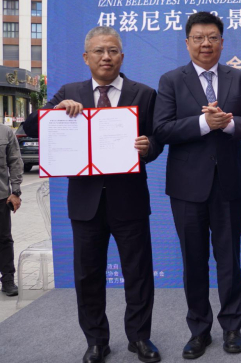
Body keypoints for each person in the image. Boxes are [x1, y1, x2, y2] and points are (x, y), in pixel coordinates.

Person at [23, 26, 163, 363]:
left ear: (122, 56)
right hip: (85, 203)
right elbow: (30, 126)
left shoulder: (144, 94)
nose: (106, 57)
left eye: (113, 50)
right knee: (88, 276)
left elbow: (158, 138)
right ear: (86, 57)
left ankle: (139, 337)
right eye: (99, 51)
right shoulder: (69, 92)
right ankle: (97, 341)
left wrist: (148, 147)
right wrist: (55, 112)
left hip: (129, 199)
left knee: (138, 273)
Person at [153, 12, 241, 359]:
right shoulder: (171, 80)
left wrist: (226, 124)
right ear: (187, 43)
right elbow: (162, 129)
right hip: (186, 187)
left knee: (229, 259)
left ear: (222, 42)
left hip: (229, 184)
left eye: (212, 37)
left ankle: (232, 328)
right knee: (193, 261)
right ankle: (199, 330)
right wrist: (203, 123)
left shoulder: (238, 78)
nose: (206, 44)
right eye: (198, 38)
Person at [0, 124, 22, 298]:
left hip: (1, 196)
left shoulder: (5, 132)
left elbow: (15, 161)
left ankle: (8, 280)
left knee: (4, 240)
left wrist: (15, 192)